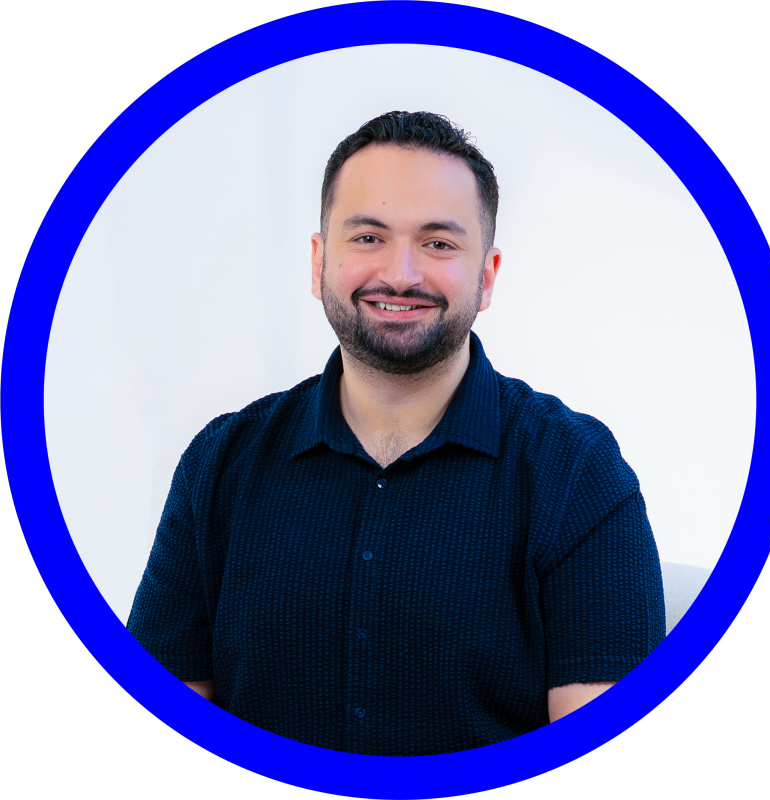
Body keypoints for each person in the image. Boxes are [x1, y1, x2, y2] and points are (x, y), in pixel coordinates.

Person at [127, 110, 665, 756]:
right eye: (368, 237)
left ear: (487, 276)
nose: (401, 274)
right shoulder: (220, 463)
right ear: (319, 261)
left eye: (439, 243)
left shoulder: (579, 475)